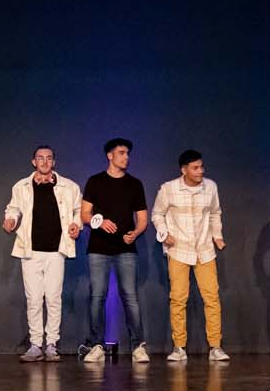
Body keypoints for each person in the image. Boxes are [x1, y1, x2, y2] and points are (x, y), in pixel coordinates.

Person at [4, 145, 82, 362]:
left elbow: (79, 211)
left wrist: (76, 224)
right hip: (30, 250)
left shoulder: (69, 186)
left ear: (54, 162)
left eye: (49, 158)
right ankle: (36, 344)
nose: (45, 162)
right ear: (34, 162)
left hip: (57, 250)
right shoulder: (21, 186)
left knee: (54, 298)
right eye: (40, 158)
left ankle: (52, 344)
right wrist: (11, 220)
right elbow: (13, 209)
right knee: (34, 299)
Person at [152, 149, 228, 364]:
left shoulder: (210, 187)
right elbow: (157, 214)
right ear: (183, 170)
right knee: (178, 299)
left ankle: (216, 347)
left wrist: (217, 236)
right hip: (179, 249)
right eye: (195, 168)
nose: (200, 171)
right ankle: (179, 347)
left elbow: (215, 213)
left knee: (212, 298)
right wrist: (164, 233)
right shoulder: (168, 189)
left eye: (201, 167)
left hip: (204, 249)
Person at [81, 137, 150, 363]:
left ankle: (138, 346)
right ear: (110, 155)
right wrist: (100, 222)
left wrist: (135, 233)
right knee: (97, 296)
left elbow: (142, 219)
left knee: (130, 296)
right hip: (98, 248)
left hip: (125, 249)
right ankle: (97, 345)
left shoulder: (135, 184)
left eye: (128, 153)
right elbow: (84, 215)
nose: (126, 157)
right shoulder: (95, 181)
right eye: (121, 153)